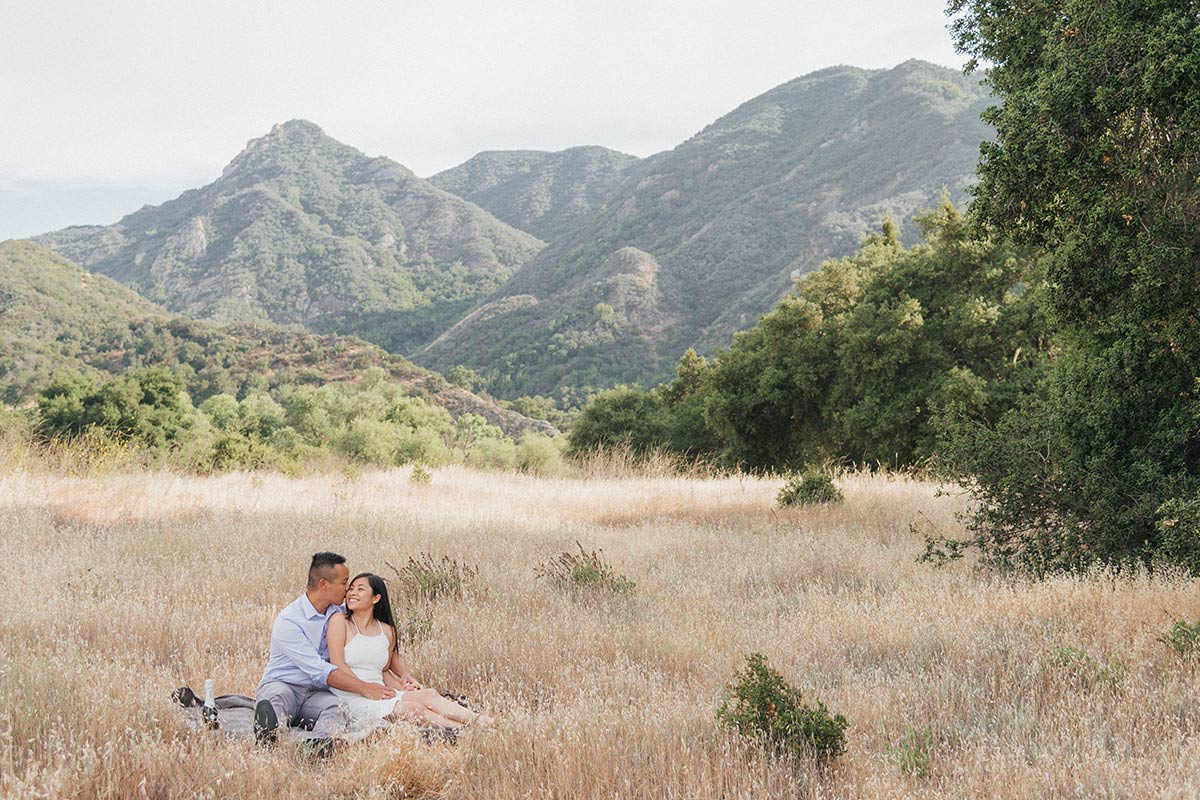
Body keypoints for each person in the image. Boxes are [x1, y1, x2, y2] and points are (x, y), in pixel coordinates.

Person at [254, 552, 396, 755]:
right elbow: (320, 670)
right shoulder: (289, 621)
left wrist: (403, 675)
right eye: (344, 583)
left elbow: (378, 639)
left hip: (318, 693)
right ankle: (269, 735)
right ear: (323, 584)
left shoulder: (339, 612)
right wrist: (365, 688)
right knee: (275, 699)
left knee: (337, 708)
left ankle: (319, 745)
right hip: (285, 684)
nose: (348, 589)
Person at [327, 572, 492, 734]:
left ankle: (484, 722)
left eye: (360, 589)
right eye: (351, 589)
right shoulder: (340, 621)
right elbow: (337, 664)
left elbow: (383, 671)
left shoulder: (387, 631)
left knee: (428, 694)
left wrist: (402, 688)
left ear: (376, 598)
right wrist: (366, 688)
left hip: (381, 693)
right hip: (351, 695)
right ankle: (466, 733)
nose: (352, 593)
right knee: (414, 708)